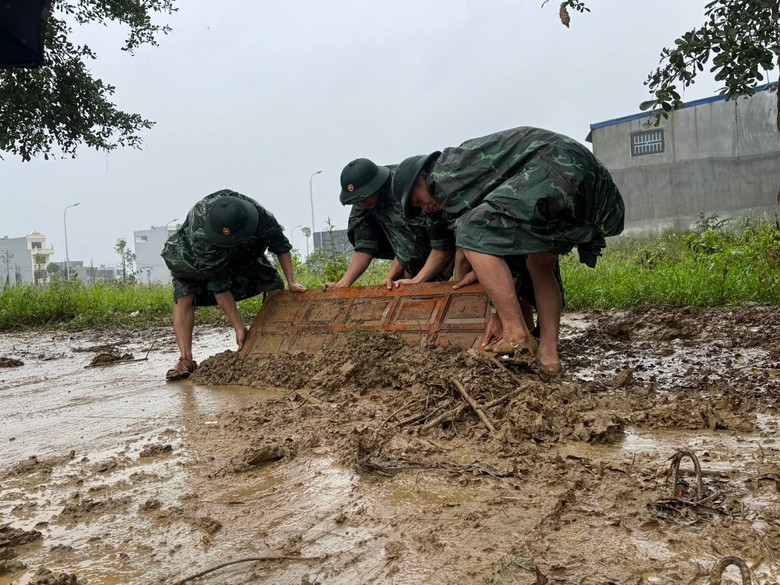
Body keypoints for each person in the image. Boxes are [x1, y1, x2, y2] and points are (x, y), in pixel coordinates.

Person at [392, 126, 624, 374]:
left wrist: (497, 313)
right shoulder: (462, 167)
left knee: (471, 229)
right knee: (538, 264)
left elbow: (489, 241)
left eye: (418, 200)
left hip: (554, 166)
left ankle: (515, 333)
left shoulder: (442, 176)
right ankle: (549, 357)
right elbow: (508, 245)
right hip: (584, 173)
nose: (425, 208)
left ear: (423, 176)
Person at [161, 189, 306, 381]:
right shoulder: (200, 234)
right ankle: (185, 359)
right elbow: (219, 286)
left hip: (242, 252)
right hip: (192, 260)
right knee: (184, 294)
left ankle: (277, 338)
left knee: (273, 282)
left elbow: (281, 245)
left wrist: (291, 281)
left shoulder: (260, 216)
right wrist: (238, 326)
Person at [323, 158, 454, 290]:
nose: (363, 203)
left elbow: (432, 243)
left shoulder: (405, 187)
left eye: (365, 198)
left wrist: (405, 277)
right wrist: (342, 284)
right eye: (359, 200)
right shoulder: (362, 201)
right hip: (410, 256)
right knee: (405, 285)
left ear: (375, 186)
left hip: (443, 243)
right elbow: (365, 246)